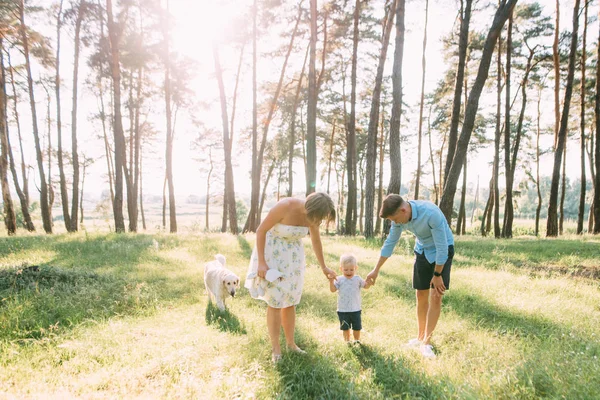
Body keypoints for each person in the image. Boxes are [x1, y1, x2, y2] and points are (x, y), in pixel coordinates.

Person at [245, 192, 336, 363]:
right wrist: (262, 263)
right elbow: (261, 230)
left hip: (293, 258)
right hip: (273, 254)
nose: (319, 221)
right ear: (310, 209)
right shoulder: (285, 206)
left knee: (291, 300)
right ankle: (276, 349)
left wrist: (324, 267)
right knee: (275, 301)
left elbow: (316, 241)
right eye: (320, 217)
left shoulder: (313, 217)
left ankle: (291, 343)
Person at [366, 194, 454, 359]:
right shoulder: (399, 218)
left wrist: (437, 274)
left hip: (442, 252)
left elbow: (442, 248)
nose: (396, 223)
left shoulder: (431, 213)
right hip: (422, 250)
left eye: (396, 219)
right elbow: (390, 243)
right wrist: (376, 269)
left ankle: (427, 343)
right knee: (421, 294)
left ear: (403, 209)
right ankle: (420, 336)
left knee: (436, 296)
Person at [329, 253, 371, 345]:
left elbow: (365, 286)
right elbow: (332, 290)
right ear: (341, 269)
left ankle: (356, 340)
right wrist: (331, 281)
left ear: (356, 268)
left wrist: (369, 282)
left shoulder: (357, 279)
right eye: (346, 270)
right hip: (343, 309)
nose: (348, 272)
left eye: (351, 270)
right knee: (345, 327)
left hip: (355, 308)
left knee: (357, 327)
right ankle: (347, 341)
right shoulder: (339, 279)